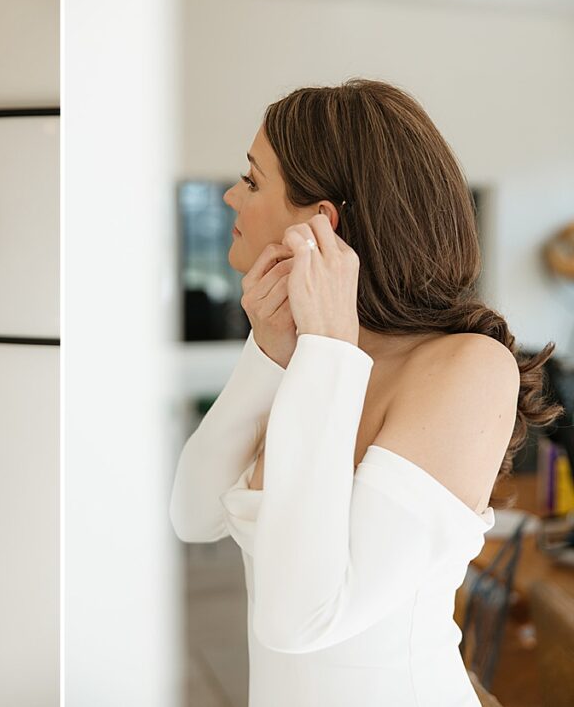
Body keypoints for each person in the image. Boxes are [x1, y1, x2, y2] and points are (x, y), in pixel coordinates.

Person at [169, 79, 563, 706]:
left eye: (251, 180)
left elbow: (299, 619)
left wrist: (326, 352)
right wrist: (269, 351)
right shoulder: (303, 357)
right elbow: (192, 515)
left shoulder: (468, 366)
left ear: (320, 224)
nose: (228, 195)